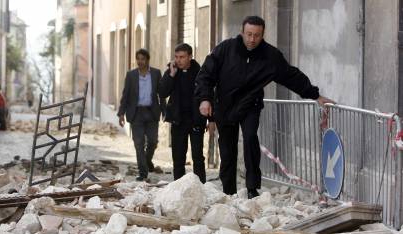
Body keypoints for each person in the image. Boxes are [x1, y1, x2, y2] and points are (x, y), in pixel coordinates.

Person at [195, 15, 334, 198]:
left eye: (257, 35)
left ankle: (252, 188)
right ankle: (229, 191)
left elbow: (291, 76)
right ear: (242, 32)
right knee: (227, 150)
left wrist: (315, 95)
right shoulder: (225, 49)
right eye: (249, 34)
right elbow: (205, 74)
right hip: (225, 105)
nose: (252, 39)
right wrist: (205, 99)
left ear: (263, 35)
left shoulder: (270, 56)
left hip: (250, 105)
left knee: (251, 138)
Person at [158, 43, 214, 183]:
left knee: (197, 157)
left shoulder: (200, 72)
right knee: (178, 157)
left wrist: (211, 119)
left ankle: (200, 187)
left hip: (196, 120)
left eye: (182, 57)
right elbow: (162, 92)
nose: (178, 60)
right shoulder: (172, 71)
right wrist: (171, 75)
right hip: (178, 120)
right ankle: (178, 187)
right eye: (176, 57)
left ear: (190, 57)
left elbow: (209, 95)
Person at [117, 49, 163, 182]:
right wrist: (121, 113)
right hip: (136, 113)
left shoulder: (155, 73)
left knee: (153, 142)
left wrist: (164, 110)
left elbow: (161, 94)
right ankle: (143, 172)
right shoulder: (131, 75)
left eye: (142, 59)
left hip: (151, 112)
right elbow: (125, 95)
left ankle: (147, 162)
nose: (140, 61)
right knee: (139, 143)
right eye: (138, 59)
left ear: (148, 60)